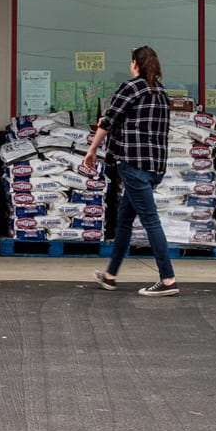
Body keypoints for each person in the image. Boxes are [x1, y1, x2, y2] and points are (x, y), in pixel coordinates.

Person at [83, 45, 179, 296]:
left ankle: (168, 279)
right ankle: (110, 275)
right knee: (125, 219)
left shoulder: (131, 87)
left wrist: (91, 151)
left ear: (135, 64)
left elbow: (108, 121)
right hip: (155, 167)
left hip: (133, 164)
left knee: (150, 220)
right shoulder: (161, 92)